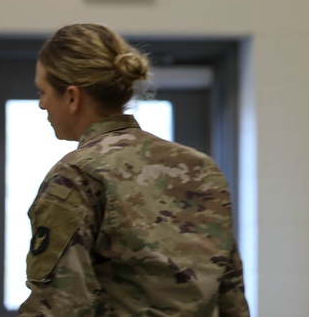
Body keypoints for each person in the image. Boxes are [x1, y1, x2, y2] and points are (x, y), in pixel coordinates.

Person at [20, 23, 249, 316]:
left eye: (43, 91)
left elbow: (60, 305)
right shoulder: (202, 169)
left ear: (73, 97)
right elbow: (232, 296)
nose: (41, 104)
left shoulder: (77, 175)